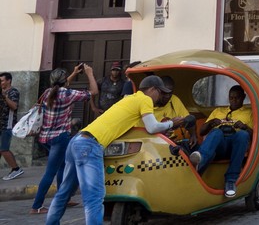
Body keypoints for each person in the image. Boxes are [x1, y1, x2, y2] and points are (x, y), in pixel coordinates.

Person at [45, 75, 186, 225]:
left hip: (77, 140)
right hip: (90, 145)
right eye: (160, 92)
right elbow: (152, 127)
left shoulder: (129, 99)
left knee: (64, 192)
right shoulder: (145, 100)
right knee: (95, 197)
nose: (161, 97)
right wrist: (172, 123)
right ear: (152, 90)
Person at [29, 64, 98, 214]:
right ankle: (36, 206)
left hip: (44, 137)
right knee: (51, 172)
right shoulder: (68, 94)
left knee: (61, 167)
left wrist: (73, 73)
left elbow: (61, 84)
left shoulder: (47, 92)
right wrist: (90, 74)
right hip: (60, 138)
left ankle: (63, 198)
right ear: (64, 81)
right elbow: (93, 92)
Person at [191, 85, 253, 198]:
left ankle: (230, 181)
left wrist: (244, 126)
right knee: (216, 132)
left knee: (243, 135)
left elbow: (254, 135)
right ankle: (200, 162)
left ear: (243, 97)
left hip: (235, 147)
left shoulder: (249, 113)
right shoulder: (218, 111)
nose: (234, 101)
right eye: (231, 98)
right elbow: (201, 132)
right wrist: (211, 123)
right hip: (219, 145)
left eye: (237, 98)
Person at [0, 72, 23, 181]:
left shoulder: (13, 92)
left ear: (8, 80)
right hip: (1, 124)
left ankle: (16, 169)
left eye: (2, 81)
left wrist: (5, 97)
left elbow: (14, 106)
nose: (1, 83)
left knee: (4, 149)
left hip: (7, 124)